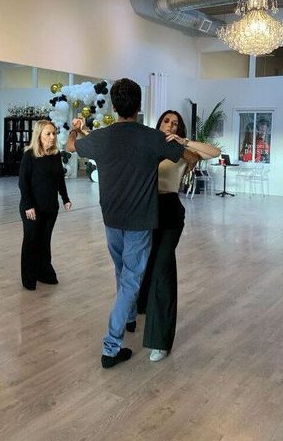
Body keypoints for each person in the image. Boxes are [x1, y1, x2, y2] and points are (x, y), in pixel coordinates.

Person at [66, 78, 184, 369]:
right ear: (139, 106)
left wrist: (75, 129)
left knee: (124, 275)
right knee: (130, 279)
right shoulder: (151, 137)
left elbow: (71, 147)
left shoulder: (102, 137)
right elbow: (181, 154)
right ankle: (110, 347)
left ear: (114, 106)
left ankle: (130, 317)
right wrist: (177, 140)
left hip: (111, 218)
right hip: (139, 221)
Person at [136, 110, 220, 362]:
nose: (170, 125)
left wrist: (183, 141)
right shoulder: (147, 144)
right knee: (143, 266)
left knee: (162, 269)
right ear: (158, 123)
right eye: (166, 121)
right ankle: (139, 311)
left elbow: (213, 152)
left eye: (175, 123)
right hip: (143, 211)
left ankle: (160, 341)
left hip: (169, 212)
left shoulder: (183, 154)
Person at [18, 120, 72, 290]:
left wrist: (65, 198)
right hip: (32, 208)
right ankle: (29, 278)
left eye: (54, 133)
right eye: (48, 134)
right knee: (31, 241)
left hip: (50, 208)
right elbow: (23, 183)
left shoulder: (56, 155)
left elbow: (59, 179)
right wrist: (28, 206)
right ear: (39, 136)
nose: (52, 137)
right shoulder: (29, 155)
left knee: (44, 240)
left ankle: (44, 272)